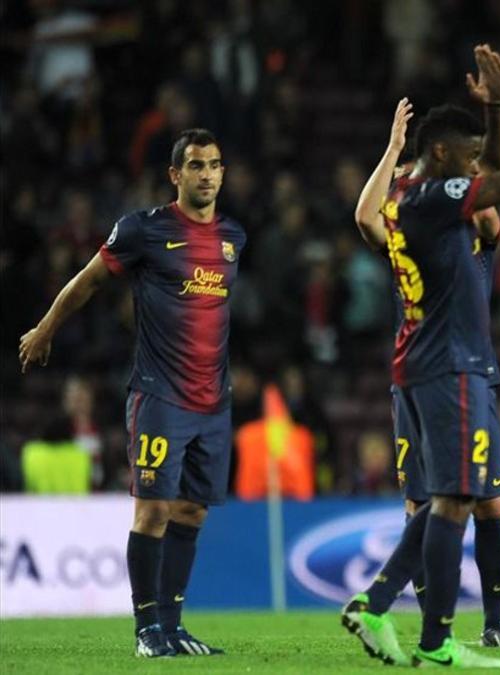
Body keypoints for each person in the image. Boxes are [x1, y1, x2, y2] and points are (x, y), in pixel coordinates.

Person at [338, 44, 500, 668]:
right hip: (447, 365)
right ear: (448, 159)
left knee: (444, 500)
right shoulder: (430, 201)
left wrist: (498, 116)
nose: (479, 171)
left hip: (433, 364)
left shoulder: (416, 209)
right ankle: (432, 637)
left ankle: (382, 608)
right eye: (470, 159)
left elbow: (497, 177)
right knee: (452, 500)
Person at [19, 128, 245, 658]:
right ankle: (147, 631)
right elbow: (90, 280)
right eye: (195, 165)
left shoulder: (234, 235)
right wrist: (46, 327)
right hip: (160, 394)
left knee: (192, 513)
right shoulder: (144, 230)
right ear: (176, 174)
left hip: (214, 401)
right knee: (153, 513)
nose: (207, 174)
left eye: (214, 165)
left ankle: (173, 626)